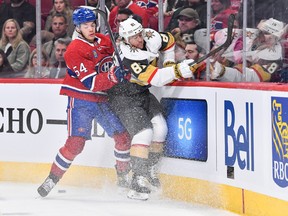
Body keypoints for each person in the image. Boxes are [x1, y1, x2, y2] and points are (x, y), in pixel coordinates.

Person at [37, 7, 131, 198]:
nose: (91, 28)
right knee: (76, 144)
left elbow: (118, 57)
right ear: (78, 27)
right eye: (86, 25)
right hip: (81, 100)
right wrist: (114, 75)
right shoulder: (74, 50)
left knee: (123, 138)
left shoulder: (104, 40)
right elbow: (92, 83)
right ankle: (52, 179)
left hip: (102, 99)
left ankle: (123, 178)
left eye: (93, 24)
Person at [107, 18, 197, 200]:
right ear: (125, 40)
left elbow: (170, 40)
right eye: (133, 38)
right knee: (144, 132)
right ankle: (137, 179)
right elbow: (155, 78)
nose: (139, 40)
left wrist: (171, 63)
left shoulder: (150, 37)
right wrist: (178, 70)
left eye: (139, 34)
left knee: (161, 129)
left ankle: (148, 171)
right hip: (122, 96)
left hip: (142, 93)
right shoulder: (127, 55)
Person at [210, 18, 287, 82]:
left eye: (275, 36)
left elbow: (252, 78)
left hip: (259, 93)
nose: (269, 37)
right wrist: (218, 48)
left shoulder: (273, 56)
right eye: (265, 32)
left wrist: (222, 70)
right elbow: (221, 35)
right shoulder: (249, 34)